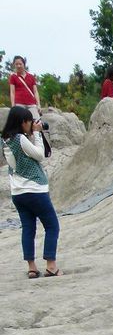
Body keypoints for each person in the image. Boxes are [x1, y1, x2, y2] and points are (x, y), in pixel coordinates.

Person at [1, 105, 62, 278]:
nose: (31, 124)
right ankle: (51, 265)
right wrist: (36, 134)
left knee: (28, 229)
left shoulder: (5, 139)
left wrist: (32, 134)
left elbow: (21, 156)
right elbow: (40, 155)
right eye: (29, 122)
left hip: (17, 193)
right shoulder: (20, 139)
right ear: (23, 122)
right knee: (52, 226)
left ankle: (32, 268)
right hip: (34, 190)